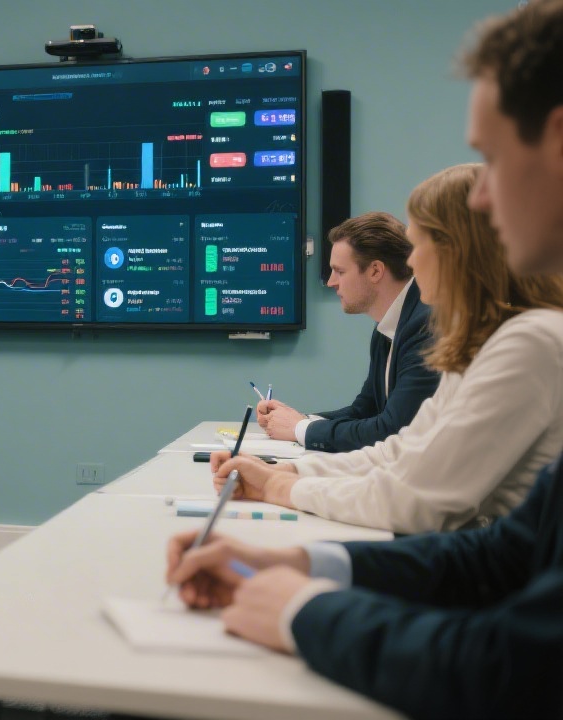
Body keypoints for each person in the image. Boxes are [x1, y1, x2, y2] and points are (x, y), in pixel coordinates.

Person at [166, 4, 563, 716]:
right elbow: (498, 543)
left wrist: (300, 600)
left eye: (492, 159)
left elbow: (515, 664)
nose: (480, 196)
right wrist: (305, 555)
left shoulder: (534, 341)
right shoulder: (512, 340)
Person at [212, 163, 563, 534]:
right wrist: (287, 470)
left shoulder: (527, 343)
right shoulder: (486, 338)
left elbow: (423, 500)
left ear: (459, 250)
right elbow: (403, 451)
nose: (410, 261)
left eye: (420, 244)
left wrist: (281, 486)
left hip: (495, 572)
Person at [258, 212, 440, 452]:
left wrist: (299, 428)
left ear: (375, 271)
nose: (332, 281)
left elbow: (394, 430)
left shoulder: (425, 326)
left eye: (340, 271)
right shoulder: (388, 327)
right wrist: (298, 419)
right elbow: (365, 410)